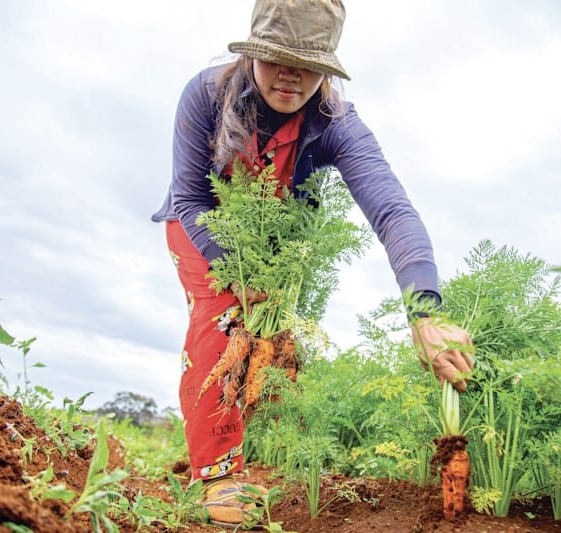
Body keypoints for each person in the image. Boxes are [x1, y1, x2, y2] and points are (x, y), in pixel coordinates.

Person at [151, 0, 474, 526]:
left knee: (264, 349)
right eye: (277, 57)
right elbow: (190, 198)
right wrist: (236, 271)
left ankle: (222, 448)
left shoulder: (335, 122)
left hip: (274, 239)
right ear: (254, 51)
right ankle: (211, 476)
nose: (291, 75)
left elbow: (391, 208)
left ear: (326, 68)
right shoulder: (206, 94)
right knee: (224, 318)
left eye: (308, 63)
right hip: (202, 227)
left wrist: (425, 310)